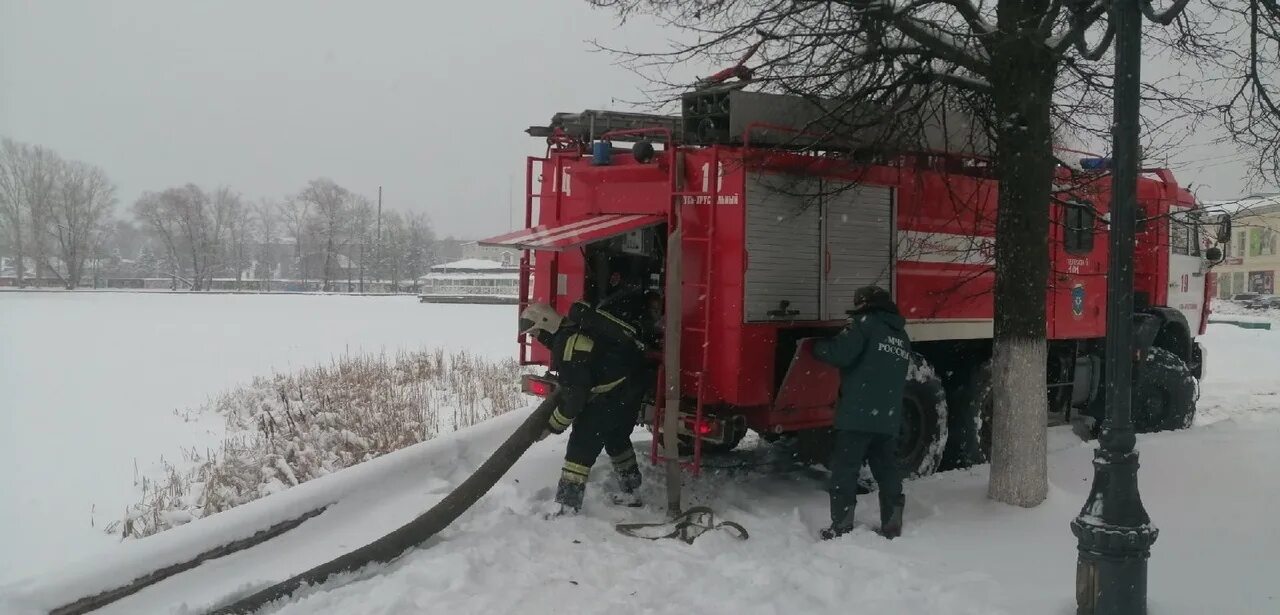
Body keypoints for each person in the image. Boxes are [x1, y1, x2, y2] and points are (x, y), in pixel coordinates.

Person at [519, 301, 646, 515]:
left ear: (546, 324)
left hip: (609, 397)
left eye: (537, 333)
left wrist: (552, 426)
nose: (536, 338)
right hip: (629, 389)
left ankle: (568, 506)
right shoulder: (573, 332)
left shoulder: (569, 345)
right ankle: (631, 490)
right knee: (616, 438)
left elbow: (575, 400)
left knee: (580, 448)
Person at [811, 285, 912, 540]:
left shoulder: (863, 324)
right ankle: (892, 524)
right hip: (887, 417)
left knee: (845, 471)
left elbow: (841, 354)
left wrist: (816, 346)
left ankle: (841, 526)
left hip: (857, 416)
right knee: (887, 470)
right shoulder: (901, 335)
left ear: (864, 304)